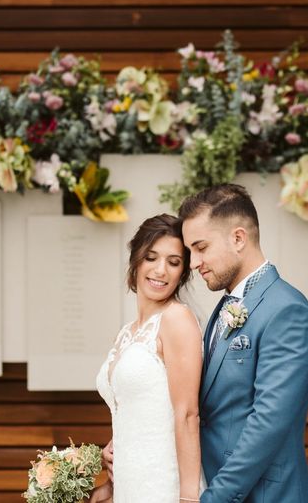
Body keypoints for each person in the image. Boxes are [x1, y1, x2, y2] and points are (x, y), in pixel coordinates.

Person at [102, 184, 308, 502]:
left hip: (263, 494)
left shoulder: (287, 310)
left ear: (237, 238)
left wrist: (212, 498)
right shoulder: (224, 307)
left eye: (201, 248)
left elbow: (268, 423)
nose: (193, 263)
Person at [92, 213, 205, 503]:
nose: (161, 270)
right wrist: (111, 471)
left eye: (173, 262)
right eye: (151, 257)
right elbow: (134, 413)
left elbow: (188, 415)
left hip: (163, 485)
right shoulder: (126, 333)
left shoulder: (177, 319)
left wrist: (189, 499)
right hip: (130, 485)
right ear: (136, 261)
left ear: (183, 272)